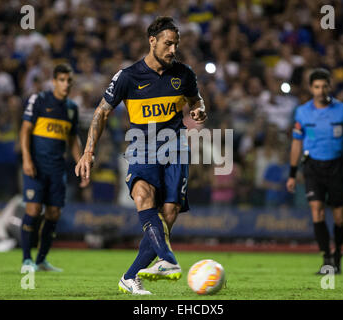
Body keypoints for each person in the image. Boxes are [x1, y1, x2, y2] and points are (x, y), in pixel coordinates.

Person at [75, 16, 207, 295]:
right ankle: (168, 260)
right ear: (152, 41)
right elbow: (101, 112)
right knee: (142, 196)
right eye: (168, 44)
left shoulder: (184, 74)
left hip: (175, 148)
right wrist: (88, 151)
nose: (173, 50)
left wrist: (198, 109)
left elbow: (196, 100)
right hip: (142, 147)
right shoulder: (128, 76)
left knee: (169, 213)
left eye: (176, 44)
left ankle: (130, 276)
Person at [286, 68, 343, 274]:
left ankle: (338, 252)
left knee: (340, 217)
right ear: (311, 88)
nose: (321, 90)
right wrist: (292, 174)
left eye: (324, 86)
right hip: (313, 166)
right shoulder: (303, 112)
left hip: (337, 166)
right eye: (316, 87)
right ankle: (326, 258)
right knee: (317, 211)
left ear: (330, 86)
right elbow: (296, 143)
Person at [20, 63, 87, 272]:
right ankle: (26, 260)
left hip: (57, 168)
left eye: (69, 81)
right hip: (37, 166)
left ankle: (41, 260)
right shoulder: (39, 100)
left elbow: (72, 138)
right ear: (54, 81)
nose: (66, 84)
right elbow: (25, 130)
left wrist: (81, 163)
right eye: (62, 80)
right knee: (33, 210)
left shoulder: (71, 108)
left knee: (53, 213)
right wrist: (27, 159)